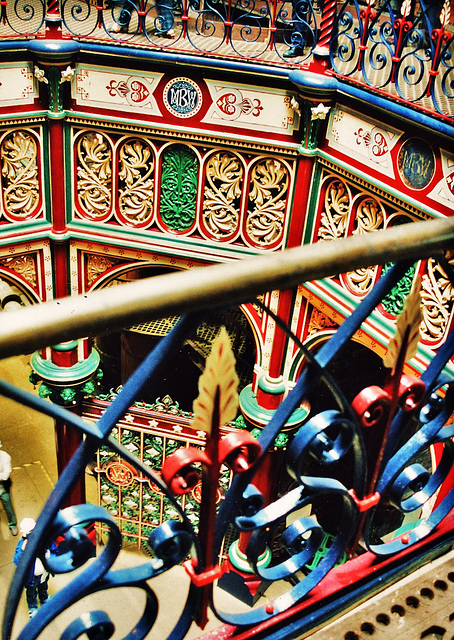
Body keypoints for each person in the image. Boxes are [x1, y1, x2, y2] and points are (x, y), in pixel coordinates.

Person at [14, 518, 54, 618]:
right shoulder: (22, 545)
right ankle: (32, 606)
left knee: (43, 586)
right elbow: (16, 561)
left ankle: (44, 597)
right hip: (31, 578)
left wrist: (50, 557)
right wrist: (23, 549)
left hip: (44, 573)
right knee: (31, 593)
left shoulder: (45, 540)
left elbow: (54, 550)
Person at [0, 440, 18, 536]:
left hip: (2, 488)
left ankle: (12, 524)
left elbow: (5, 475)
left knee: (8, 507)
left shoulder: (5, 457)